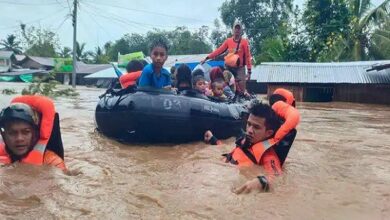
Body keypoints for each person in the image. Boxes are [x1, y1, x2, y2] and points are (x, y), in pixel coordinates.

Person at [204, 101, 281, 193]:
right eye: (249, 124)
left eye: (256, 127)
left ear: (269, 133)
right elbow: (231, 153)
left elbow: (277, 179)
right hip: (216, 175)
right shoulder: (245, 142)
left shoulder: (269, 157)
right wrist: (213, 139)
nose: (249, 130)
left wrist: (261, 182)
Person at [0, 95, 66, 171]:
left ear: (35, 133)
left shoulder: (53, 162)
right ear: (3, 135)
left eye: (26, 132)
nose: (19, 139)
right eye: (12, 133)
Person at [201, 20, 252, 96]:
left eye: (239, 29)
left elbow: (248, 56)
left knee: (241, 87)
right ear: (233, 30)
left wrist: (249, 71)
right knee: (224, 81)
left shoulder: (244, 42)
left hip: (239, 68)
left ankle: (242, 97)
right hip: (228, 67)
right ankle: (224, 96)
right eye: (236, 28)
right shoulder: (228, 41)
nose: (237, 30)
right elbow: (218, 51)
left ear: (241, 31)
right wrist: (207, 58)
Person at [268, 88, 300, 165]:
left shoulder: (277, 106)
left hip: (286, 128)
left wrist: (276, 139)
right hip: (287, 126)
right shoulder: (283, 106)